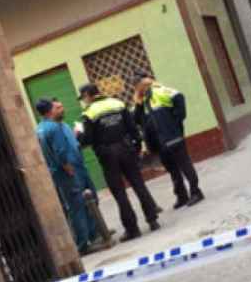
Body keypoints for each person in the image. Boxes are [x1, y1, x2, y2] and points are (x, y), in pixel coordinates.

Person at [77, 83, 160, 242]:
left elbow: (88, 139)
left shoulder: (89, 113)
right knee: (139, 184)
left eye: (84, 98)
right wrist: (136, 147)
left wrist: (79, 135)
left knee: (119, 193)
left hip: (107, 155)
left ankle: (132, 229)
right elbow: (133, 128)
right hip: (126, 148)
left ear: (88, 95)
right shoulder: (118, 103)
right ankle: (152, 219)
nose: (84, 101)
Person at [133, 72, 204, 209]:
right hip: (158, 142)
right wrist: (138, 103)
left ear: (143, 84)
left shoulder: (160, 91)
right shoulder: (143, 100)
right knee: (172, 169)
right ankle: (181, 196)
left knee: (184, 165)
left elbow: (179, 97)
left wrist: (175, 122)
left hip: (172, 137)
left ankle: (196, 192)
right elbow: (137, 120)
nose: (135, 89)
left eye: (137, 85)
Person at [35, 98, 98, 254]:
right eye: (57, 108)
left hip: (63, 170)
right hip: (68, 170)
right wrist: (67, 166)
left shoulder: (40, 128)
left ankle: (93, 234)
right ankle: (84, 243)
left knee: (82, 202)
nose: (61, 110)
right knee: (78, 206)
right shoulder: (54, 128)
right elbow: (60, 151)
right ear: (50, 110)